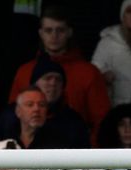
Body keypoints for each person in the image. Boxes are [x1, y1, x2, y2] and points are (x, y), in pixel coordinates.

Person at [8, 6, 110, 139]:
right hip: (29, 153)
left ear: (69, 32)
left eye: (60, 30)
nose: (54, 36)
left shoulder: (89, 73)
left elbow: (102, 122)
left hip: (75, 152)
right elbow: (11, 117)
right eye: (48, 30)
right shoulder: (25, 71)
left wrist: (89, 152)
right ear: (40, 33)